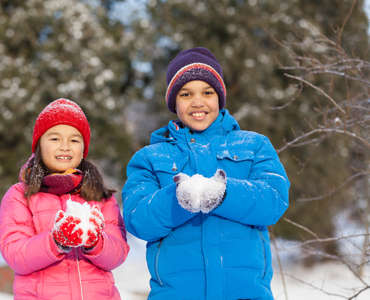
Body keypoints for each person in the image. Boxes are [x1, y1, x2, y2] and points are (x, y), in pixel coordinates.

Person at [122, 47, 290, 300]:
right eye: (186, 94)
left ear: (220, 98)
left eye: (207, 92)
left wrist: (226, 194)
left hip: (245, 294)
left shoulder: (255, 146)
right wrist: (176, 199)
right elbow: (138, 220)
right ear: (173, 102)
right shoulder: (150, 158)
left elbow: (274, 200)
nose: (198, 102)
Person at [0, 98, 129, 300]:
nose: (65, 146)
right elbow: (16, 256)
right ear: (39, 145)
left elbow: (117, 254)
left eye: (74, 140)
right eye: (55, 139)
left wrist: (96, 242)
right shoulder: (19, 196)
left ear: (83, 149)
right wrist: (56, 241)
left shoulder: (100, 196)